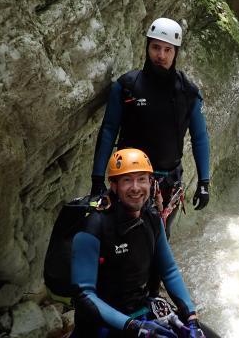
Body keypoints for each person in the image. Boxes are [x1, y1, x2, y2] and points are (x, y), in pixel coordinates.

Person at [71, 148, 217, 338]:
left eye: (141, 179)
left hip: (141, 313)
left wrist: (191, 318)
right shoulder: (94, 226)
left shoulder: (152, 219)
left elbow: (169, 270)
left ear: (150, 182)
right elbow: (84, 295)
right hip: (104, 323)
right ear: (114, 185)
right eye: (127, 180)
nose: (135, 187)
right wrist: (133, 326)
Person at [90, 17, 211, 239]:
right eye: (156, 47)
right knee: (120, 236)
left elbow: (200, 137)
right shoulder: (127, 86)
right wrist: (97, 179)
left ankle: (156, 273)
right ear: (147, 47)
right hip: (128, 178)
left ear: (176, 53)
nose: (161, 55)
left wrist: (204, 182)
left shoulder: (189, 93)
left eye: (168, 50)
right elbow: (108, 130)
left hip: (168, 181)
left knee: (159, 237)